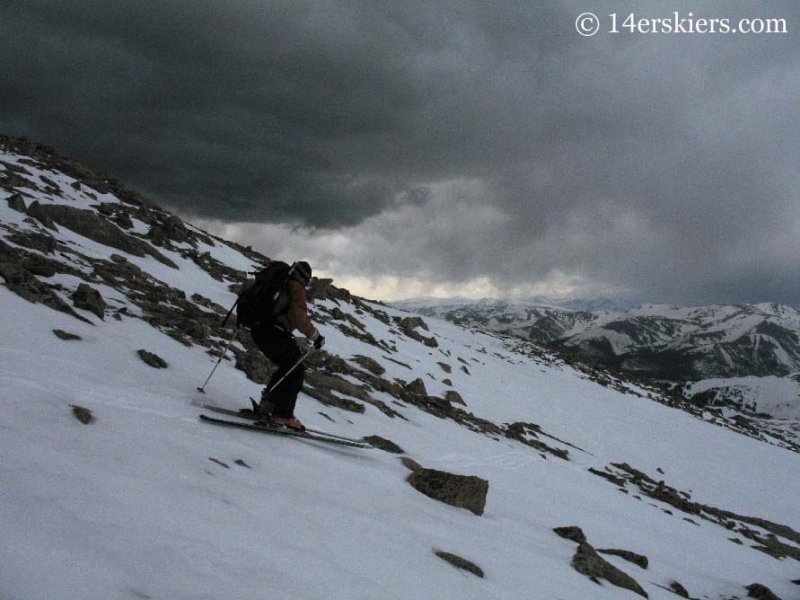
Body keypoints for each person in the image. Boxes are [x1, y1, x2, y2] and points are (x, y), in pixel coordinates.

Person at [250, 261, 325, 429]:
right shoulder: (295, 286)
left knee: (288, 366)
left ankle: (268, 405)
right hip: (273, 331)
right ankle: (283, 415)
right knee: (296, 369)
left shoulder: (278, 280)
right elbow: (298, 315)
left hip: (258, 328)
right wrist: (316, 336)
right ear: (305, 277)